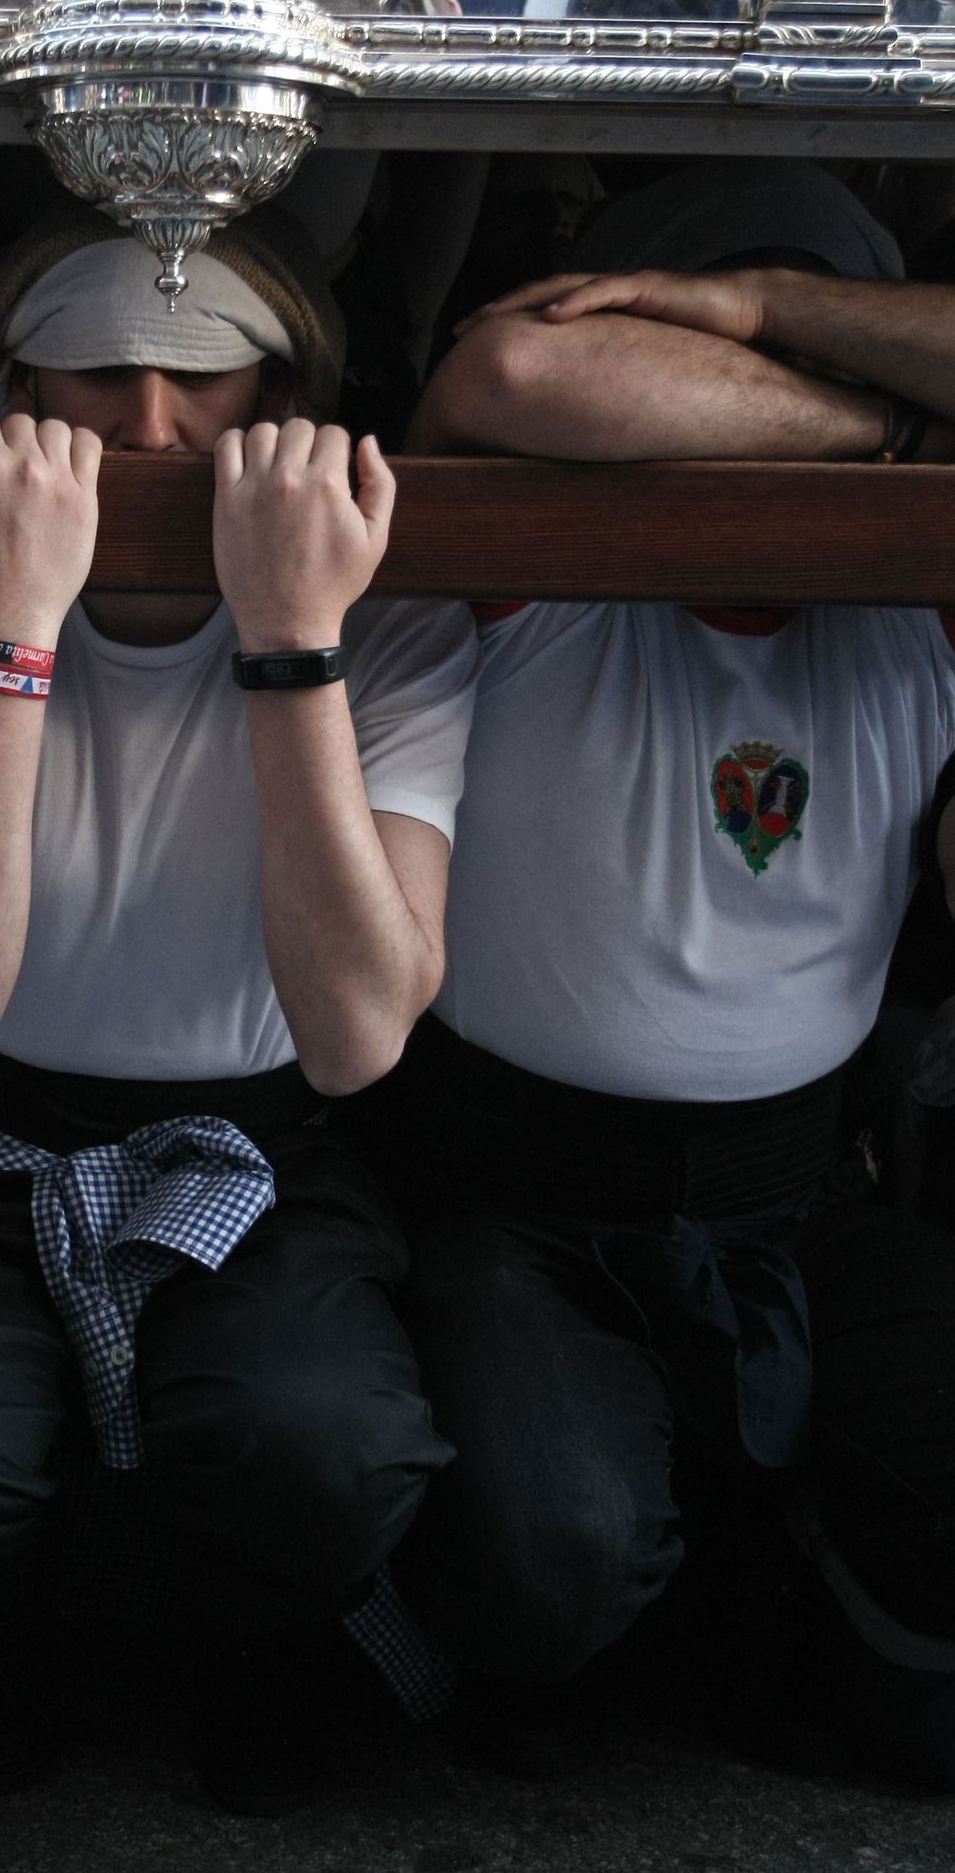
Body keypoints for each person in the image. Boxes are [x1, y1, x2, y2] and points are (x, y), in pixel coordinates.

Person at [0, 206, 477, 1811]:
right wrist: (8, 631)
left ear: (283, 396)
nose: (152, 427)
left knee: (324, 1442)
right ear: (14, 396)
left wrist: (291, 642)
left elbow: (359, 1035)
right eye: (95, 375)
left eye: (204, 380)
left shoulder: (392, 613)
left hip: (261, 1145)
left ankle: (262, 1648)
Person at [364, 159, 955, 1787]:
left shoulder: (912, 597)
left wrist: (765, 310)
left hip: (796, 1195)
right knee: (554, 1552)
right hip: (523, 1203)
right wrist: (882, 428)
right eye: (718, 369)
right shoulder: (539, 558)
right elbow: (513, 374)